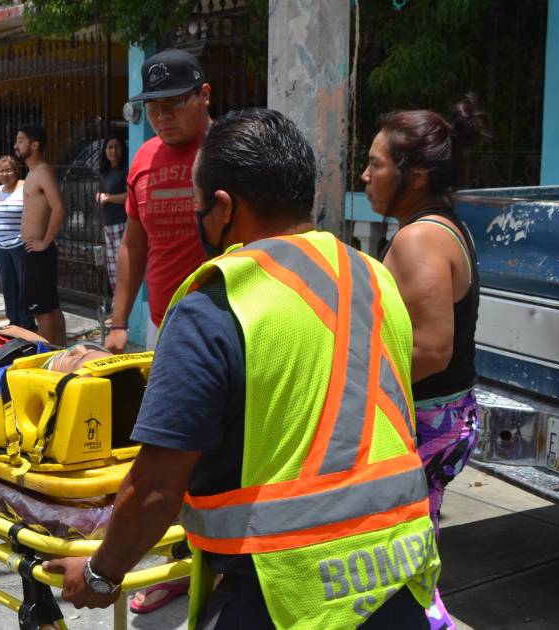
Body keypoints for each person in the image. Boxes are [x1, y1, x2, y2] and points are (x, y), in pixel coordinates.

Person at [45, 109, 440, 629]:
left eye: (198, 207)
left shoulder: (218, 303)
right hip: (399, 579)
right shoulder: (373, 277)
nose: (199, 218)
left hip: (281, 592)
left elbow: (155, 490)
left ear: (224, 207)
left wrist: (101, 573)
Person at [362, 94, 490, 630]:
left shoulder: (419, 239)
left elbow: (433, 349)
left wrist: (354, 384)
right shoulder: (439, 226)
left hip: (426, 422)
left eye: (376, 165)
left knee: (402, 569)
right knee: (409, 556)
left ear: (414, 176)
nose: (365, 176)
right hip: (439, 417)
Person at [105, 49, 213, 356]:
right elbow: (133, 243)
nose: (162, 116)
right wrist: (119, 322)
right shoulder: (144, 158)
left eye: (174, 103)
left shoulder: (230, 150)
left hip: (222, 322)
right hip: (161, 323)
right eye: (153, 106)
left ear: (204, 95)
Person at [14, 123, 67, 346]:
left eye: (21, 140)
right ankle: (61, 353)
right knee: (51, 308)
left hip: (40, 252)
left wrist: (45, 243)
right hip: (33, 252)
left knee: (43, 312)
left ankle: (46, 357)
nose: (16, 145)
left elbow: (59, 209)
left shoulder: (43, 171)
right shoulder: (32, 174)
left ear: (34, 145)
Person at [0, 155, 35, 329]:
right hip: (0, 247)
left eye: (8, 170)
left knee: (24, 286)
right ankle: (13, 322)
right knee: (7, 286)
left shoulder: (25, 187)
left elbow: (34, 213)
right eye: (1, 171)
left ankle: (27, 324)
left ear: (16, 171)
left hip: (19, 245)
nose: (5, 174)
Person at [96, 136, 129, 298]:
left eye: (117, 147)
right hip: (107, 225)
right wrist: (100, 197)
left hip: (121, 223)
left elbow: (129, 196)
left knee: (122, 267)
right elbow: (100, 193)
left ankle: (124, 303)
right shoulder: (104, 172)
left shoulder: (125, 170)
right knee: (111, 269)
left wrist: (108, 198)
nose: (113, 151)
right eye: (110, 147)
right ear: (105, 151)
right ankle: (117, 302)